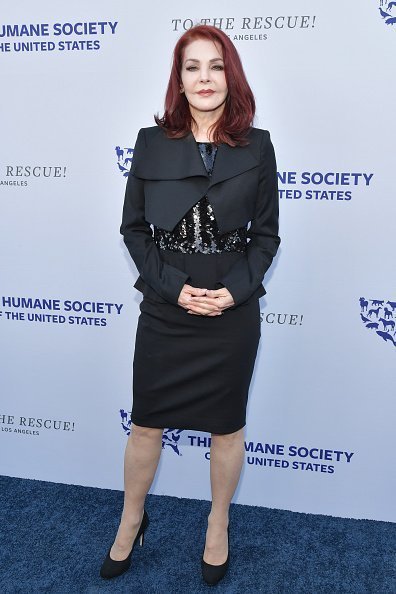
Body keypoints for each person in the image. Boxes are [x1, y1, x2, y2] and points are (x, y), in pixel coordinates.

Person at [100, 24, 280, 586]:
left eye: (216, 66)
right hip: (165, 300)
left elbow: (266, 237)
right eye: (192, 67)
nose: (204, 78)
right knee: (146, 424)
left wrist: (237, 290)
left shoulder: (258, 144)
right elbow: (134, 231)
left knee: (226, 427)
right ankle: (131, 521)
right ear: (178, 79)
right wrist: (173, 288)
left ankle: (218, 524)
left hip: (232, 304)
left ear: (232, 76)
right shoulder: (151, 142)